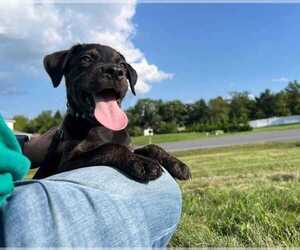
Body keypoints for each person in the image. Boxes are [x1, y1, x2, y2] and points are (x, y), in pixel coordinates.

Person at [0, 115, 182, 248]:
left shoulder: (112, 125)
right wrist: (115, 153)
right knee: (162, 187)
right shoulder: (74, 128)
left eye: (121, 67)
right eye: (86, 60)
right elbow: (71, 165)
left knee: (157, 176)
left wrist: (23, 146)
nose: (114, 70)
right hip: (20, 214)